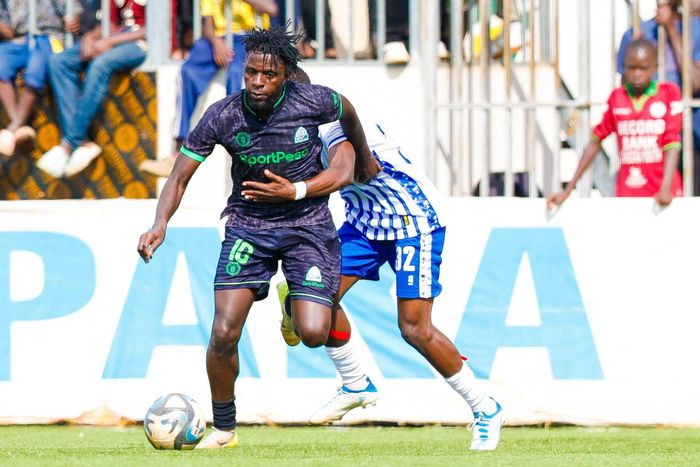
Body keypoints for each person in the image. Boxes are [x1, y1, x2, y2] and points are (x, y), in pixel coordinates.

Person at [137, 25, 377, 449]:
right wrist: (160, 223)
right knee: (224, 332)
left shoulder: (314, 100)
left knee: (314, 333)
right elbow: (179, 176)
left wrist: (364, 158)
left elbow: (350, 114)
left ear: (285, 75)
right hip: (248, 227)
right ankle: (225, 428)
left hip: (307, 227)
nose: (257, 82)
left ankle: (293, 301)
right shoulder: (223, 114)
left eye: (268, 75)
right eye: (251, 73)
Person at [241, 73, 504, 452]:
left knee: (414, 328)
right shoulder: (290, 131)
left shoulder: (331, 124)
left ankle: (485, 408)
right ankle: (355, 383)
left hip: (412, 220)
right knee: (316, 297)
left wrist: (294, 190)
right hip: (363, 223)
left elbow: (347, 170)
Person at [138, 0, 278, 178]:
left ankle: (244, 147)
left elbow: (272, 9)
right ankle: (177, 153)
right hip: (217, 38)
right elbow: (207, 21)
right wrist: (216, 42)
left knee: (239, 73)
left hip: (251, 37)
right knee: (186, 72)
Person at [548, 38, 683, 208]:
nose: (637, 74)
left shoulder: (668, 93)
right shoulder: (617, 97)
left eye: (643, 68)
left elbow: (672, 143)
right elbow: (595, 141)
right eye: (632, 68)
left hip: (663, 195)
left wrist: (666, 188)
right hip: (628, 195)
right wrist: (568, 189)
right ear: (623, 67)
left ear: (655, 67)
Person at [36, 0, 147, 178]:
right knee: (59, 62)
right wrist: (90, 37)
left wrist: (110, 40)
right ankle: (81, 142)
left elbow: (158, 28)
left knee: (99, 65)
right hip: (116, 38)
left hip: (143, 44)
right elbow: (110, 23)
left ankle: (69, 143)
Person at [618, 0, 700, 193]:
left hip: (690, 139)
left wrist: (670, 29)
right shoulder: (635, 33)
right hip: (648, 143)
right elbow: (625, 95)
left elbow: (694, 83)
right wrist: (635, 48)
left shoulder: (695, 29)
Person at [0, 0, 82, 158]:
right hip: (21, 40)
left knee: (37, 64)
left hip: (51, 37)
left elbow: (73, 11)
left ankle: (13, 128)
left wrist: (73, 21)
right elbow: (10, 32)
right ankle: (19, 126)